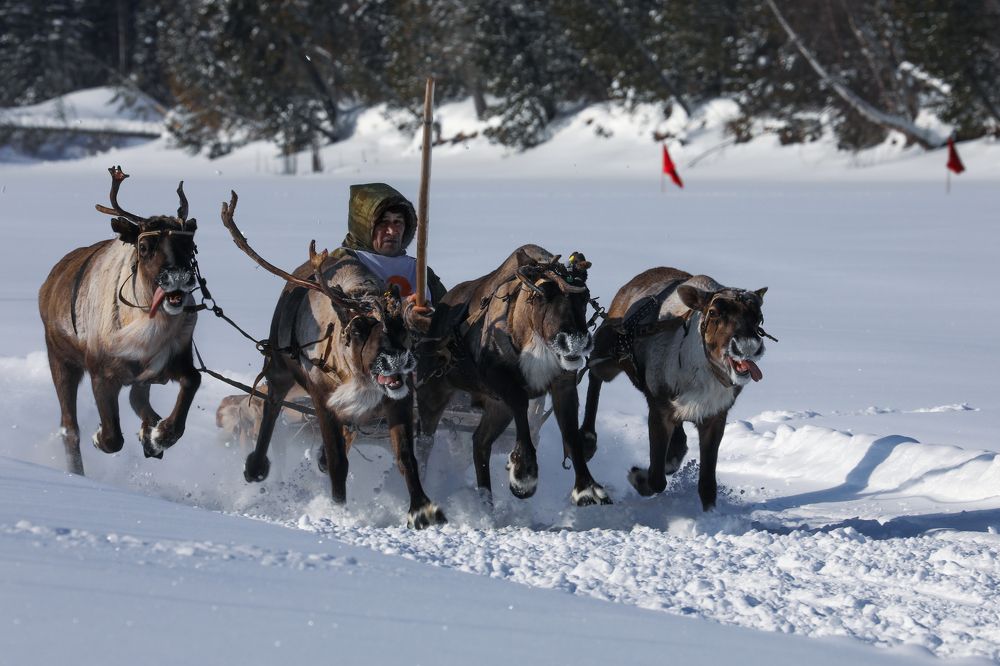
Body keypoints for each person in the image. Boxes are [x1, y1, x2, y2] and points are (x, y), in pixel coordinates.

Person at [337, 182, 446, 305]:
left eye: (398, 222)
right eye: (383, 222)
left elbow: (449, 315)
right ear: (363, 227)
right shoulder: (340, 264)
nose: (392, 231)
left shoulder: (420, 272)